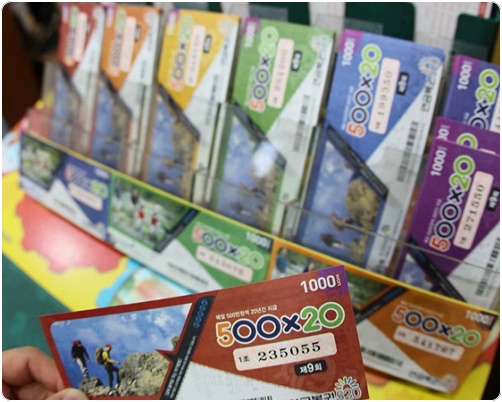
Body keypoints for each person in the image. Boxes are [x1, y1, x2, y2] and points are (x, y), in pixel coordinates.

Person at [2, 346, 88, 400]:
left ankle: (86, 375)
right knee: (82, 367)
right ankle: (85, 375)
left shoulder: (80, 347)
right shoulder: (75, 347)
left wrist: (87, 358)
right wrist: (74, 357)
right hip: (78, 359)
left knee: (84, 366)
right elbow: (75, 353)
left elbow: (84, 353)